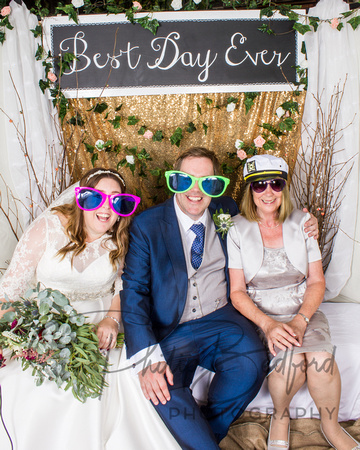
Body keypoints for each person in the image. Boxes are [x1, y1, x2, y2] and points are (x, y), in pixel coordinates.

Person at [120, 147, 319, 450]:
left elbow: (268, 217)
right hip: (172, 328)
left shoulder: (225, 209)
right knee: (163, 389)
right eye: (186, 181)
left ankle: (203, 435)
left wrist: (305, 224)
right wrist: (146, 358)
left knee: (251, 363)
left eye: (206, 182)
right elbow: (133, 292)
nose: (196, 191)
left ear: (215, 184)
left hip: (220, 317)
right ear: (175, 182)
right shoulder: (147, 225)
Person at [0, 168, 180, 450]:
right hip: (43, 322)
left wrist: (112, 319)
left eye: (116, 201)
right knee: (36, 384)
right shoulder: (48, 228)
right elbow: (8, 291)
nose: (106, 208)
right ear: (82, 199)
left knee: (105, 384)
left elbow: (124, 288)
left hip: (97, 325)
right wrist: (21, 336)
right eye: (97, 198)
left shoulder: (120, 239)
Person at [227, 154, 360, 450]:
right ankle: (281, 416)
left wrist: (300, 320)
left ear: (284, 188)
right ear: (250, 190)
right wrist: (269, 324)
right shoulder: (235, 229)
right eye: (260, 185)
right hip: (262, 313)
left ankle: (330, 425)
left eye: (276, 183)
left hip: (303, 309)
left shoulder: (303, 223)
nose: (269, 192)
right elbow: (237, 292)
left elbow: (316, 281)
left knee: (321, 359)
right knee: (291, 362)